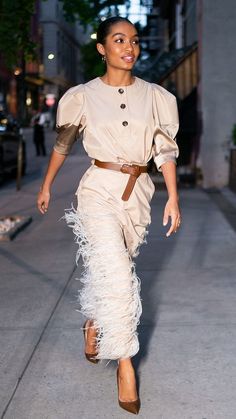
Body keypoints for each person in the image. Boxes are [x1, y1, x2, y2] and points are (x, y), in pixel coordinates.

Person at [37, 16, 181, 415]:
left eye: (134, 40)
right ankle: (124, 362)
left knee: (113, 269)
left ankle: (94, 323)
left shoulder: (156, 97)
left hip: (137, 196)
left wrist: (172, 197)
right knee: (117, 274)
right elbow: (64, 144)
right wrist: (47, 184)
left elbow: (164, 151)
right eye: (119, 40)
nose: (129, 47)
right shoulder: (82, 95)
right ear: (102, 48)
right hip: (98, 189)